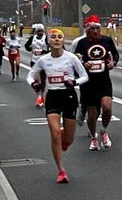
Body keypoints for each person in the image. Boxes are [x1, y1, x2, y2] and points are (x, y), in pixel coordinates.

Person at [27, 28, 88, 184]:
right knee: (54, 134)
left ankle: (65, 137)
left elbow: (84, 76)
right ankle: (61, 171)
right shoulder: (43, 60)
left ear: (63, 41)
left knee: (68, 138)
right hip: (53, 96)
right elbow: (30, 74)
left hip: (68, 96)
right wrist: (33, 83)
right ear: (49, 41)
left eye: (59, 37)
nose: (56, 40)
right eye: (53, 37)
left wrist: (73, 82)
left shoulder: (71, 58)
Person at [74, 15, 119, 150]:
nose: (95, 31)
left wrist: (113, 62)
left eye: (97, 28)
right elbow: (75, 59)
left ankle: (104, 131)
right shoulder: (82, 43)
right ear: (87, 29)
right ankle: (94, 137)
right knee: (92, 113)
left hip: (104, 80)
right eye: (92, 28)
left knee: (106, 107)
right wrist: (83, 63)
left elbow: (115, 54)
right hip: (88, 82)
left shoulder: (107, 41)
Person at [25, 23, 50, 106]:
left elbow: (51, 48)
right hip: (34, 61)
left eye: (41, 31)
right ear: (36, 32)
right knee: (36, 80)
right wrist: (30, 47)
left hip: (43, 61)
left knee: (43, 80)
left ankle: (41, 95)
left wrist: (45, 52)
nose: (40, 32)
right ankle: (39, 95)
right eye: (38, 31)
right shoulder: (33, 38)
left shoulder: (46, 38)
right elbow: (26, 47)